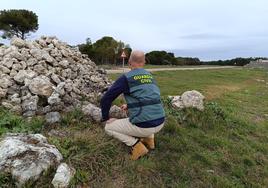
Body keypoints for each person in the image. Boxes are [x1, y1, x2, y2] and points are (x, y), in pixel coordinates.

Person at [100, 50, 165, 160]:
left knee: (108, 128)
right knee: (147, 116)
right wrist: (129, 105)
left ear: (129, 62)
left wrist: (106, 118)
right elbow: (147, 98)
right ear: (144, 62)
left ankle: (136, 145)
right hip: (161, 122)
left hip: (145, 125)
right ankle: (149, 140)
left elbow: (106, 99)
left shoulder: (126, 78)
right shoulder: (150, 76)